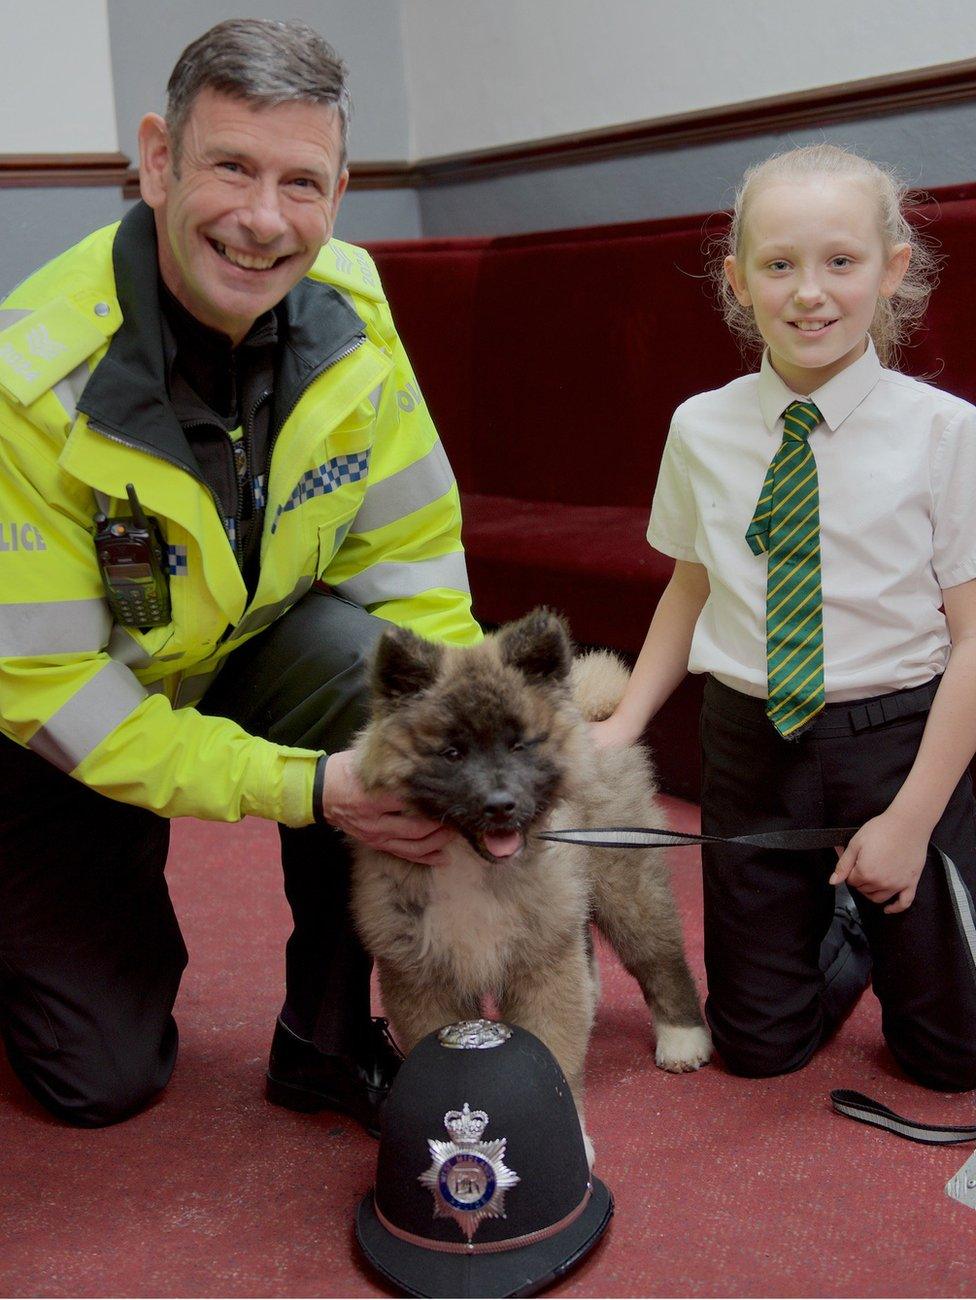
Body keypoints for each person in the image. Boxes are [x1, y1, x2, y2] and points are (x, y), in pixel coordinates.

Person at [0, 18, 480, 1131]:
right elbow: (58, 690)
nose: (265, 221)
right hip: (54, 721)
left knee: (395, 692)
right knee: (103, 1079)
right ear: (159, 158)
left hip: (230, 648)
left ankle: (323, 1036)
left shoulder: (354, 314)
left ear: (342, 189)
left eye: (302, 182)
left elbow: (410, 570)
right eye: (231, 166)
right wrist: (310, 788)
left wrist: (456, 738)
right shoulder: (32, 379)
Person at [594, 144, 976, 1090]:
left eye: (840, 262)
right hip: (750, 740)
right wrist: (629, 719)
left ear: (892, 271)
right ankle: (839, 930)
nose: (809, 293)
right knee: (759, 1053)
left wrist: (912, 820)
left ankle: (878, 896)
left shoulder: (945, 432)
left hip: (899, 741)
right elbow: (692, 584)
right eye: (779, 265)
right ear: (737, 281)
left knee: (950, 1061)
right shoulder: (702, 427)